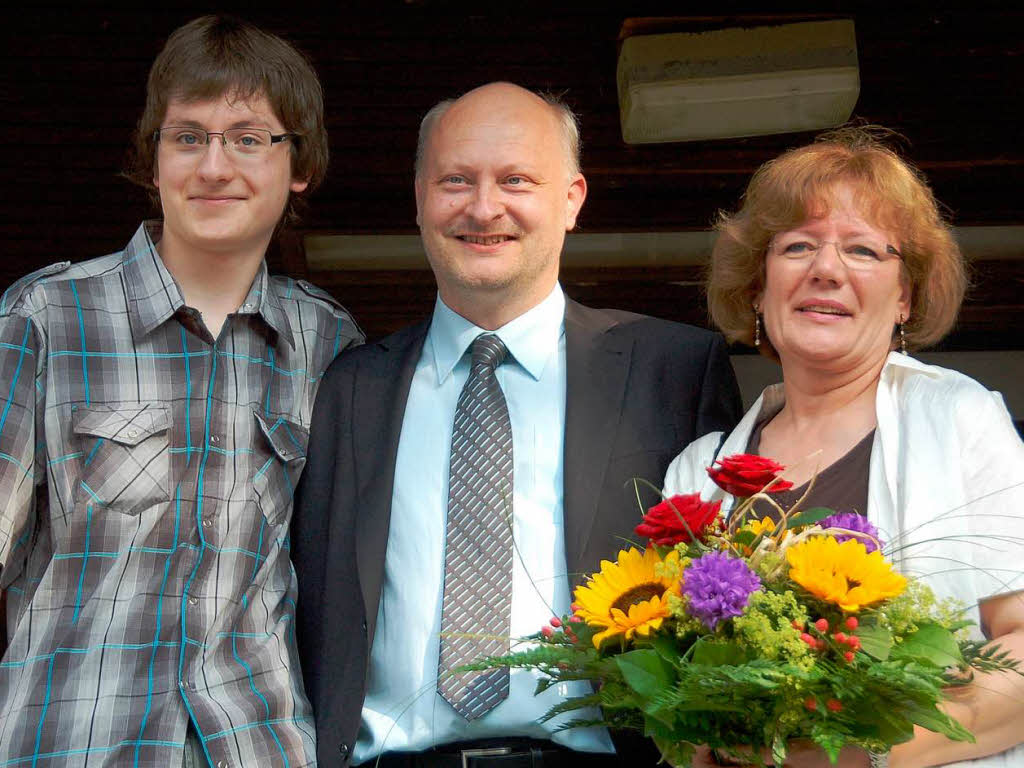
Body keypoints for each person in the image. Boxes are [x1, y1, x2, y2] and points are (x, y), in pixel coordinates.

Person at [292, 81, 742, 767]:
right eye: (455, 180)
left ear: (572, 200)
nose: (483, 206)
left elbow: (730, 591)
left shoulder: (673, 370)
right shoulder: (347, 385)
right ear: (419, 199)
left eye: (516, 180)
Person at [0, 15, 362, 767]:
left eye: (249, 137)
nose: (213, 167)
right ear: (154, 158)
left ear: (299, 165)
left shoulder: (328, 343)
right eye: (187, 136)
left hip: (261, 746)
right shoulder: (45, 316)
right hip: (73, 743)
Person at [664, 127, 1024, 767]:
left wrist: (852, 756)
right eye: (798, 246)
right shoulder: (696, 473)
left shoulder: (957, 418)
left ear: (905, 296)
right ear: (758, 285)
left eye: (862, 250)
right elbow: (680, 688)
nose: (825, 270)